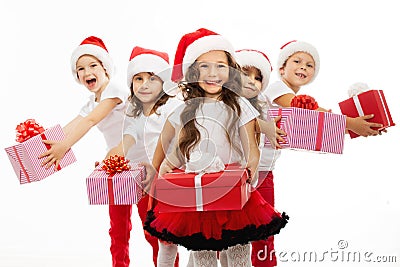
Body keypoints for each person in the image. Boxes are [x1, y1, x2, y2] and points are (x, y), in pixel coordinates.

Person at [143, 28, 289, 267]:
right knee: (204, 255)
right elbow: (179, 148)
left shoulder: (240, 105)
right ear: (193, 71)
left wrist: (250, 169)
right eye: (204, 66)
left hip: (233, 189)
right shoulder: (186, 109)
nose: (213, 73)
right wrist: (166, 166)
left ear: (231, 70)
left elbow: (251, 147)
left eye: (220, 66)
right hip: (198, 193)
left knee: (239, 253)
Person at [105, 46, 182, 267]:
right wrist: (110, 159)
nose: (144, 84)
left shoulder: (172, 106)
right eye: (138, 79)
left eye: (152, 78)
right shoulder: (134, 110)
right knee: (151, 231)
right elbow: (127, 139)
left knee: (166, 235)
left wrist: (158, 166)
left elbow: (180, 143)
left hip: (171, 175)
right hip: (147, 177)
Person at [38, 36, 128, 169]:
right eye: (81, 69)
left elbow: (90, 120)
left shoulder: (114, 90)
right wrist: (40, 142)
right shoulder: (91, 104)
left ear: (105, 68)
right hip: (119, 156)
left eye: (93, 65)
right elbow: (69, 129)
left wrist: (64, 146)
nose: (87, 72)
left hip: (138, 148)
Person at [264, 40, 383, 137]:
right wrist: (352, 123)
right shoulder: (277, 87)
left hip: (266, 162)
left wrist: (364, 128)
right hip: (253, 160)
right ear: (281, 69)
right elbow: (305, 109)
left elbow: (316, 125)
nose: (303, 67)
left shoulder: (287, 98)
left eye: (309, 65)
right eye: (297, 61)